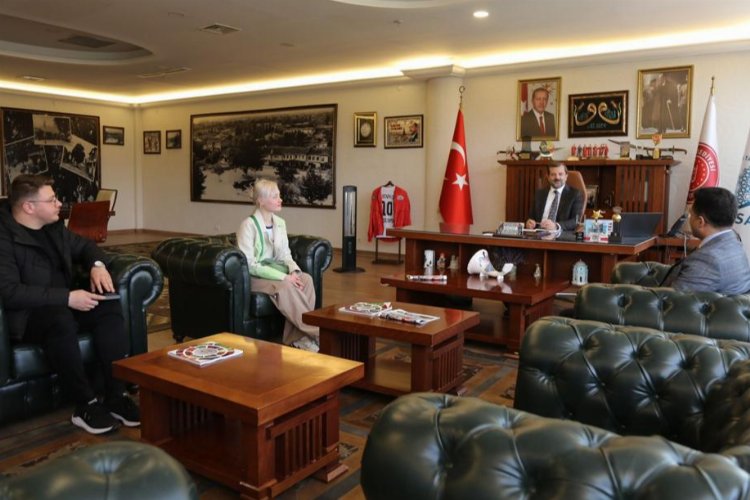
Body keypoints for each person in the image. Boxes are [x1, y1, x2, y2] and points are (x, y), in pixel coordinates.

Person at [0, 175, 139, 435]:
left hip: (66, 301)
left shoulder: (54, 227)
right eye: (52, 200)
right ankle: (85, 404)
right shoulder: (4, 237)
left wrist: (97, 265)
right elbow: (9, 292)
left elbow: (85, 246)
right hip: (28, 316)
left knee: (108, 306)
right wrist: (67, 297)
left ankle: (116, 395)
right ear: (29, 207)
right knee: (59, 319)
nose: (59, 204)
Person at [236, 178, 320, 352]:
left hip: (277, 272)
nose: (280, 200)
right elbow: (249, 265)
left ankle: (298, 339)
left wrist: (294, 271)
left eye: (279, 196)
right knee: (286, 286)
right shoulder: (248, 225)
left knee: (306, 280)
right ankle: (317, 333)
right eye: (275, 196)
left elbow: (285, 254)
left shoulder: (280, 223)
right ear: (261, 201)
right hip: (255, 277)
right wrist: (284, 277)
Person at [661, 187, 750, 294]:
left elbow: (671, 299)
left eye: (691, 214)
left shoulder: (708, 259)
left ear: (700, 222)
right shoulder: (734, 241)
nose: (689, 219)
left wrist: (642, 291)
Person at [525, 163, 584, 235]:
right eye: (553, 174)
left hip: (561, 236)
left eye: (560, 174)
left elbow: (575, 221)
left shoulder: (575, 194)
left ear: (566, 176)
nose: (557, 178)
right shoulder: (539, 194)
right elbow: (531, 217)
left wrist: (556, 226)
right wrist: (529, 223)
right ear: (548, 177)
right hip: (538, 234)